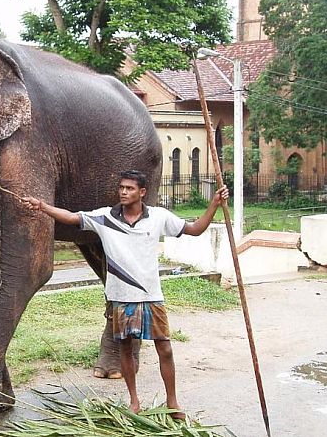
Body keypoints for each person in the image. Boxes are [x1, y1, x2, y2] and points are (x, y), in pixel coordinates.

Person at [21, 170, 228, 418]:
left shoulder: (159, 217)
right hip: (120, 298)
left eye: (129, 188)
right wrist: (43, 206)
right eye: (121, 188)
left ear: (142, 192)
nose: (123, 192)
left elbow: (194, 229)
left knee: (166, 349)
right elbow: (72, 218)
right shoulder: (105, 217)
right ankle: (134, 401)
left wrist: (214, 204)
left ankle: (173, 403)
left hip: (151, 297)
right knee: (126, 350)